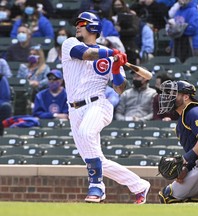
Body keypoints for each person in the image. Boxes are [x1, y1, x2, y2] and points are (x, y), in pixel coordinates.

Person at [61, 11, 150, 203]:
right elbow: (86, 54)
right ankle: (139, 185)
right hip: (74, 110)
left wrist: (116, 69)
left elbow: (120, 89)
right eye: (77, 23)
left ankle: (97, 187)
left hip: (98, 105)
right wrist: (113, 53)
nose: (77, 26)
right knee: (95, 161)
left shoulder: (108, 57)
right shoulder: (70, 44)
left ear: (93, 27)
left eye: (82, 23)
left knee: (86, 133)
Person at [112, 0, 140, 65]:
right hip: (115, 45)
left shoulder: (130, 15)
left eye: (119, 5)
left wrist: (120, 31)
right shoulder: (110, 18)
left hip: (128, 45)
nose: (117, 7)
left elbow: (134, 30)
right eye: (115, 5)